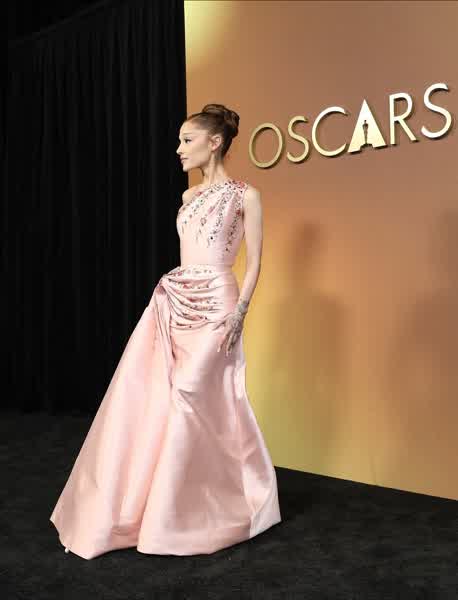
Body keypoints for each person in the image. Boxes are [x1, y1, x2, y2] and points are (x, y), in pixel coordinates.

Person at [49, 103, 282, 559]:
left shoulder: (246, 195)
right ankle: (167, 509)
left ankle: (201, 511)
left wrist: (241, 312)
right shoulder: (188, 197)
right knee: (164, 396)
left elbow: (254, 260)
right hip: (175, 299)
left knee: (192, 393)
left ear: (215, 142)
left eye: (186, 140)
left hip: (218, 303)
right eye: (179, 141)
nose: (178, 149)